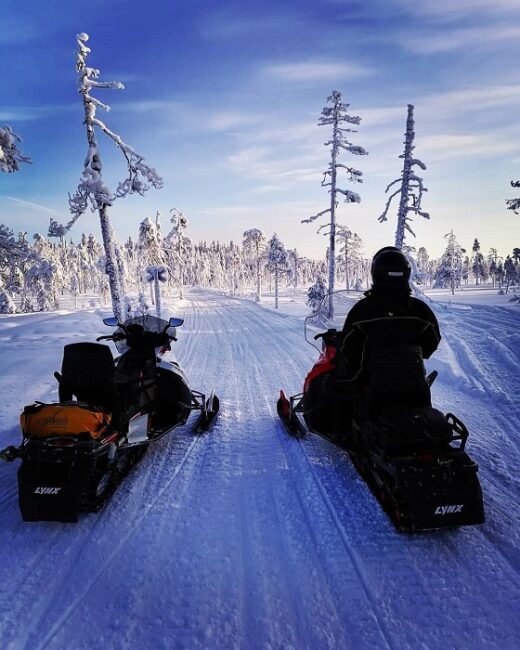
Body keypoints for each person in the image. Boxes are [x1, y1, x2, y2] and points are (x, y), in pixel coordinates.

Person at [303, 246, 441, 436]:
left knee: (329, 381)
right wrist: (407, 354)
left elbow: (350, 351)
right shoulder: (420, 310)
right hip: (412, 380)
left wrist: (352, 364)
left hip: (373, 382)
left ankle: (340, 430)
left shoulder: (363, 310)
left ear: (376, 274)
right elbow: (431, 342)